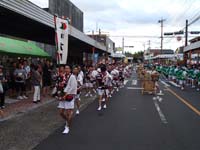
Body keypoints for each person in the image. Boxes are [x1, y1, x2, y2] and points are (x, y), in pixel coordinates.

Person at [58, 65, 77, 134]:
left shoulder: (72, 77)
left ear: (70, 69)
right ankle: (68, 120)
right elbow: (59, 85)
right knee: (61, 112)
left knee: (68, 112)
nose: (66, 69)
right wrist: (59, 93)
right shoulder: (62, 76)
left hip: (69, 96)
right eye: (65, 68)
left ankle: (67, 126)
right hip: (63, 95)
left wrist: (66, 94)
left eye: (67, 68)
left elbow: (73, 87)